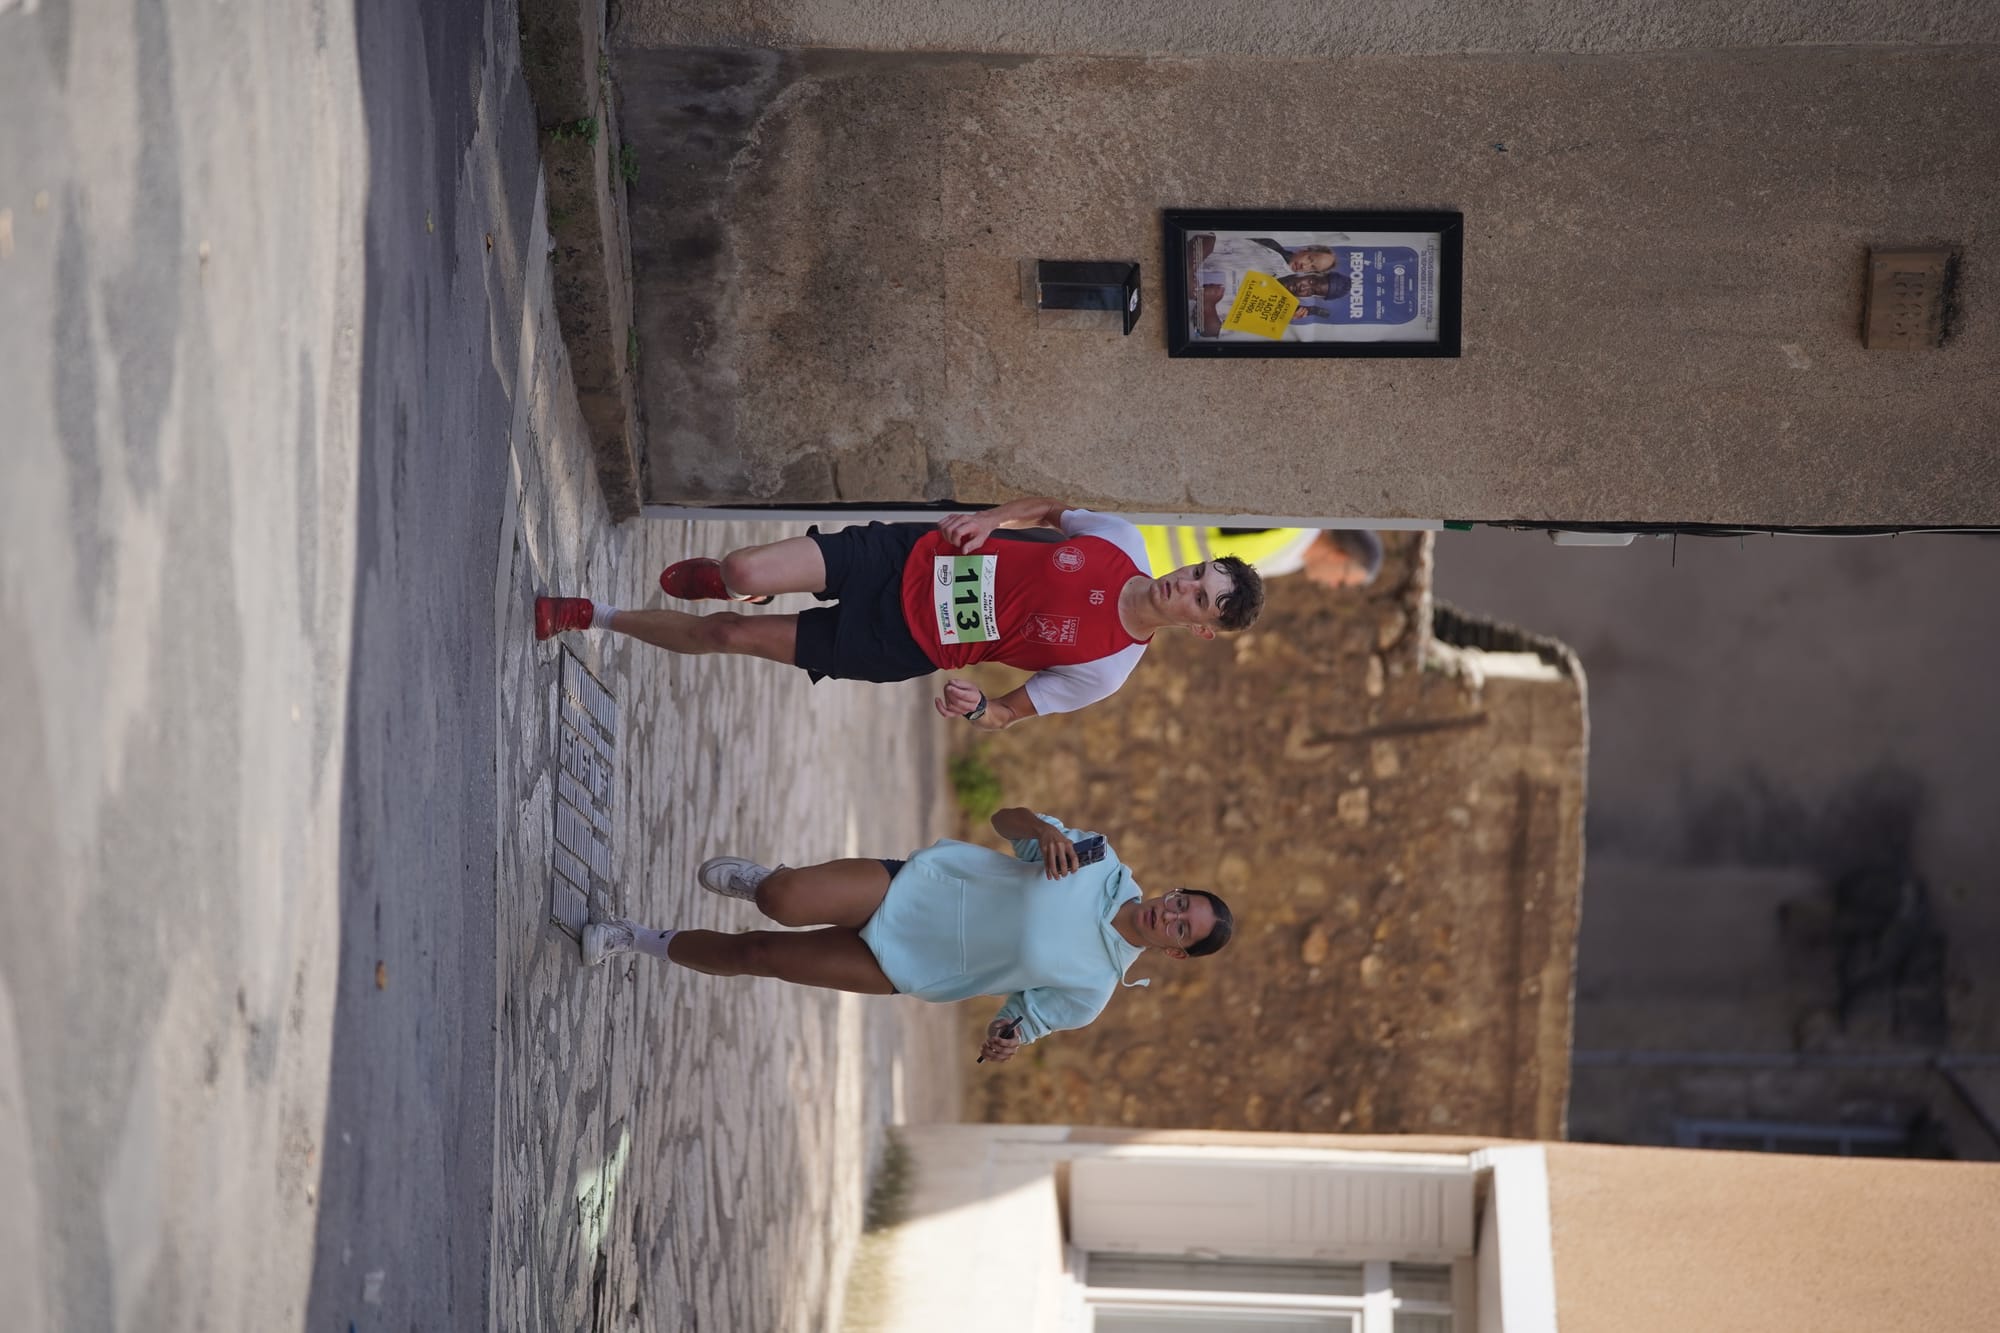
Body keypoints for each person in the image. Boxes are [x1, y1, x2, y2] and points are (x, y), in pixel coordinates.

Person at [534, 496, 1265, 730]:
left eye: (1200, 598)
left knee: (727, 634)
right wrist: (991, 519)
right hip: (907, 556)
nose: (1184, 584)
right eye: (1197, 573)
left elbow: (1008, 713)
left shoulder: (1105, 670)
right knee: (744, 570)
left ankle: (591, 614)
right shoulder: (1121, 540)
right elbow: (1050, 508)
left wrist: (977, 707)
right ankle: (734, 580)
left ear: (1201, 628)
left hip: (899, 642)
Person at [579, 808, 1235, 1061]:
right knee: (782, 900)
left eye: (1183, 928)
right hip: (917, 887)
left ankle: (632, 936)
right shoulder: (1097, 860)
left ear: (1175, 952)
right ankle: (768, 882)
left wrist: (1005, 1038)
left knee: (761, 953)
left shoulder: (1091, 991)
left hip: (909, 967)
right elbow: (1003, 820)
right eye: (1182, 902)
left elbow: (1021, 1018)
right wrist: (1040, 829)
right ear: (1174, 890)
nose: (1170, 914)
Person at [1140, 525, 1384, 590]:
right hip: (1140, 530)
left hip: (1142, 568)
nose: (1332, 585)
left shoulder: (1292, 558)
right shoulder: (1286, 525)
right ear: (1340, 557)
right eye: (1341, 582)